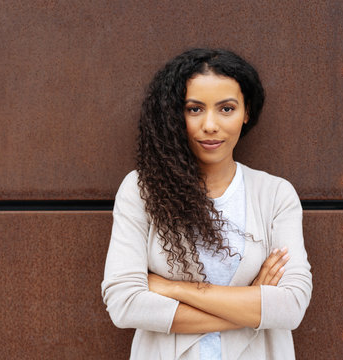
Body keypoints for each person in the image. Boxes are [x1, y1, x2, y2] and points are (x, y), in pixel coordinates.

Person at [101, 48, 312, 360]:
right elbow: (124, 304)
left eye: (226, 109)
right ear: (175, 115)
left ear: (246, 112)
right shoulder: (141, 189)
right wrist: (252, 304)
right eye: (195, 109)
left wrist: (174, 289)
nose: (210, 125)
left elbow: (292, 306)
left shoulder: (275, 194)